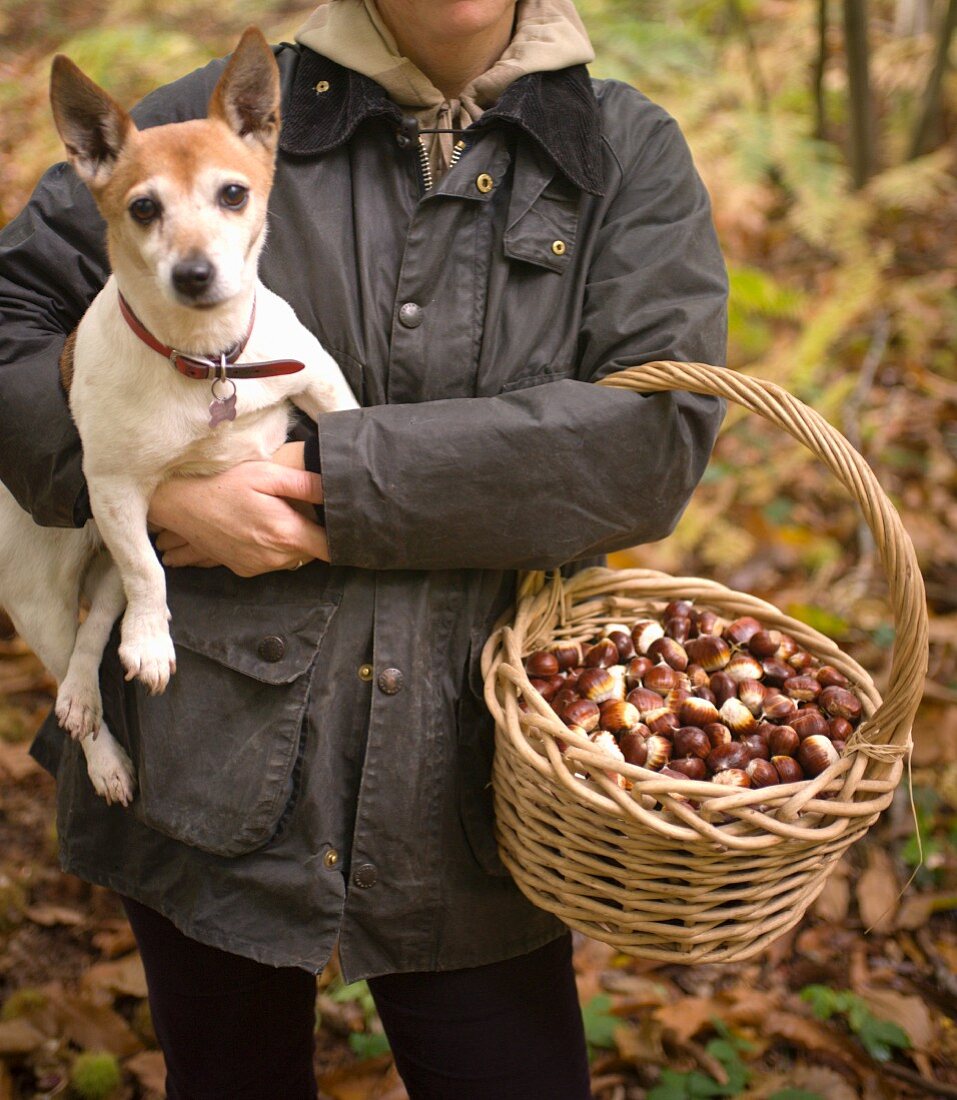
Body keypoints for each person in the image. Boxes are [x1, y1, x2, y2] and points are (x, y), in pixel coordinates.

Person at [0, 1, 728, 1096]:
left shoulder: (622, 155)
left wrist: (342, 480)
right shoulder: (191, 129)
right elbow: (9, 329)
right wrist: (159, 501)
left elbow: (652, 442)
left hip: (482, 764)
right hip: (209, 743)